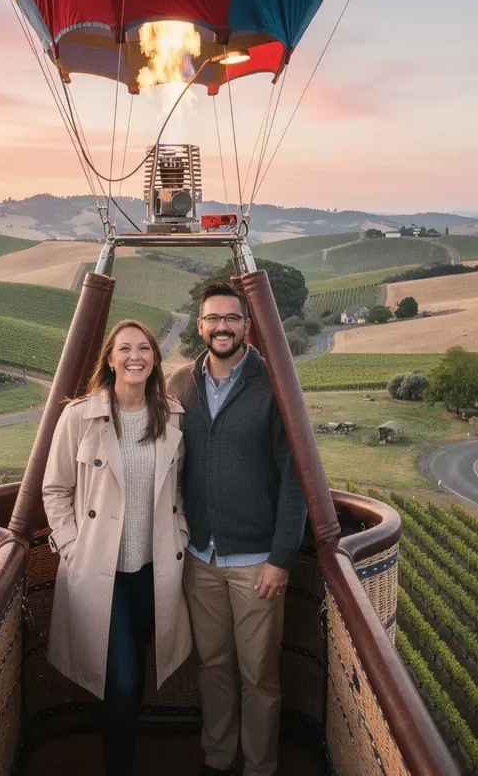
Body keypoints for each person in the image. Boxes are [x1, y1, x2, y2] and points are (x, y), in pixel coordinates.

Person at [42, 319, 193, 776]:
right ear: (109, 359)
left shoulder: (172, 416)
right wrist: (72, 546)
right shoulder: (78, 416)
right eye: (124, 349)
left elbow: (180, 490)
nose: (135, 357)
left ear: (155, 358)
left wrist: (181, 532)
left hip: (155, 571)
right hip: (101, 573)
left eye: (144, 348)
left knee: (136, 671)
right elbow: (54, 490)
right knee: (124, 681)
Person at [169, 282, 307, 776]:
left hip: (256, 564)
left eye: (232, 318)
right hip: (199, 558)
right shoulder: (180, 384)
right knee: (213, 667)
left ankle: (259, 766)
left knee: (259, 676)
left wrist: (282, 556)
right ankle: (218, 757)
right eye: (212, 318)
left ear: (247, 326)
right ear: (199, 324)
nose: (222, 326)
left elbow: (296, 477)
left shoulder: (275, 385)